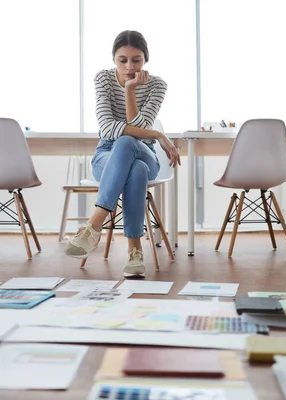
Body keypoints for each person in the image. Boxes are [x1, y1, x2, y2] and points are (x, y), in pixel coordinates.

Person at [65, 30, 180, 278]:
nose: (129, 66)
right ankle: (135, 253)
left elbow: (138, 134)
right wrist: (158, 135)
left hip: (145, 154)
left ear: (145, 60)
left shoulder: (157, 85)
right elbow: (106, 128)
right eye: (123, 60)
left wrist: (130, 90)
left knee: (129, 142)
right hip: (106, 154)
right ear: (114, 59)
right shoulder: (104, 79)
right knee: (135, 170)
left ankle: (93, 225)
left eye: (136, 60)